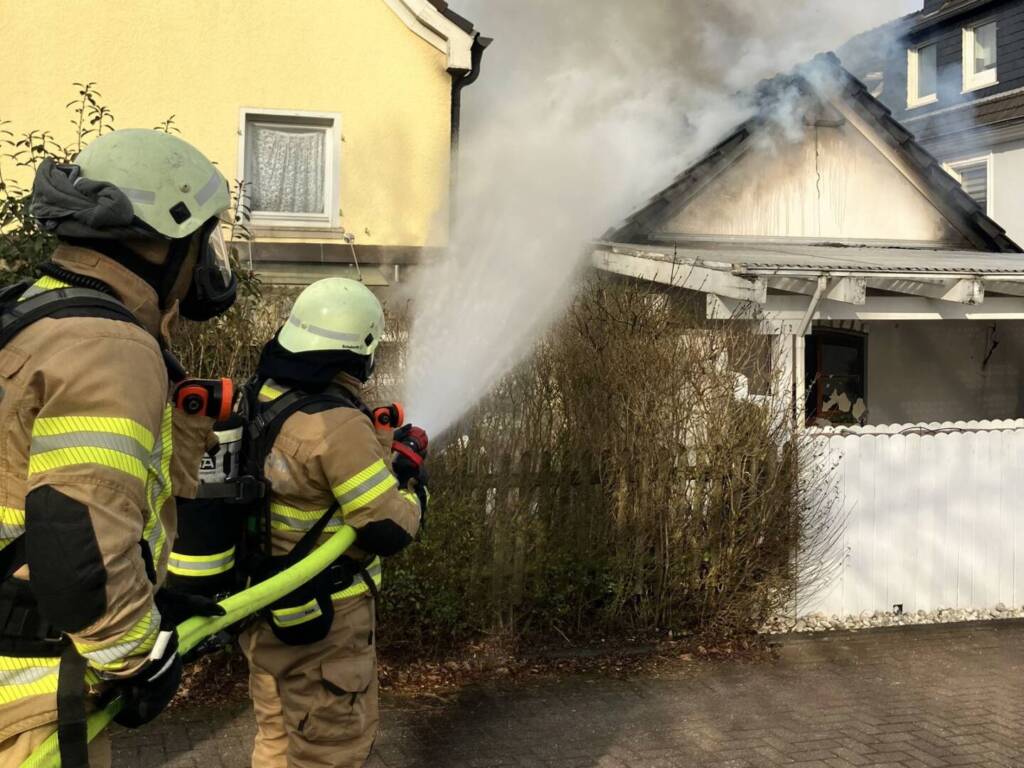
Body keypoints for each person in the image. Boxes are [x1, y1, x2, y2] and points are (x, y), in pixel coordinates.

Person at [0, 129, 237, 767]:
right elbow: (78, 532)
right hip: (30, 699)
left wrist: (150, 596)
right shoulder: (110, 346)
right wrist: (134, 656)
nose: (202, 265)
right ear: (162, 241)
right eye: (199, 243)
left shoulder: (32, 312)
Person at [240, 278, 426, 768]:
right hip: (328, 627)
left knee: (277, 740)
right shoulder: (339, 425)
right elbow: (388, 528)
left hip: (267, 612)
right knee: (330, 753)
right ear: (360, 350)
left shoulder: (261, 397)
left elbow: (313, 486)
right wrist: (412, 486)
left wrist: (382, 454)